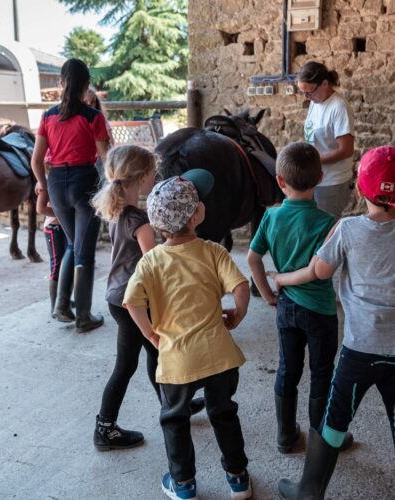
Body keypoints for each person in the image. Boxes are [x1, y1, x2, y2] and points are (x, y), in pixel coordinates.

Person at [276, 146, 395, 499]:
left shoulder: (347, 229)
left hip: (359, 349)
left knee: (334, 418)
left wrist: (281, 280)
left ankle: (309, 491)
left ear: (359, 189)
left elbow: (318, 271)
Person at [125, 171, 252, 500]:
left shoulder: (151, 261)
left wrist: (152, 335)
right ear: (197, 215)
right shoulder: (213, 251)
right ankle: (238, 478)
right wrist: (238, 313)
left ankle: (182, 484)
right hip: (220, 355)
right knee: (223, 413)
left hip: (177, 359)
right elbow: (240, 286)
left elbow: (132, 303)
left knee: (175, 419)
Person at [91, 145, 204, 451]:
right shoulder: (139, 220)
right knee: (127, 365)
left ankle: (174, 405)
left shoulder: (117, 211)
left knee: (156, 355)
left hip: (119, 295)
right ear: (141, 179)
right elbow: (154, 264)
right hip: (133, 301)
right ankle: (105, 427)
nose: (155, 178)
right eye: (153, 174)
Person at [247, 142, 352, 455]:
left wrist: (267, 295)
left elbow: (253, 259)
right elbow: (324, 271)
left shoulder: (270, 218)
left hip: (287, 307)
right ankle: (321, 438)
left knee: (287, 370)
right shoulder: (328, 224)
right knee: (322, 372)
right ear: (320, 178)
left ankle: (285, 436)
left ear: (280, 181)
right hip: (320, 311)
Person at [31, 58, 111, 333]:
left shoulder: (48, 116)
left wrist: (43, 186)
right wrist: (114, 189)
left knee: (72, 245)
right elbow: (106, 159)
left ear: (61, 83)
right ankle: (84, 316)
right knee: (84, 252)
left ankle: (62, 306)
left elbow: (37, 160)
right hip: (83, 182)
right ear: (87, 85)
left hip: (56, 183)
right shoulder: (93, 117)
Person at [297, 61, 355, 219]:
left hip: (332, 180)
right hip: (316, 176)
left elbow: (346, 150)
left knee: (326, 228)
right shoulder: (315, 102)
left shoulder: (339, 107)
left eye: (309, 92)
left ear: (324, 84)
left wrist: (314, 161)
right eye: (303, 92)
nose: (306, 97)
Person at [36, 174, 74, 322]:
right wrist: (64, 215)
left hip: (64, 226)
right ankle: (54, 307)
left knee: (66, 263)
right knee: (56, 265)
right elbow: (41, 209)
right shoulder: (46, 181)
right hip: (54, 228)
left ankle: (63, 300)